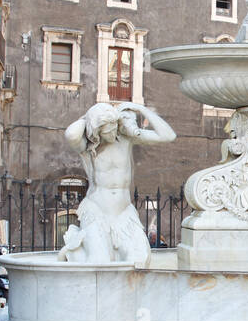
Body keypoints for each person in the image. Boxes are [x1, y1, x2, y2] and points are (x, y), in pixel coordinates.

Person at [60, 101, 175, 267]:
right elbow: (71, 134)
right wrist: (91, 116)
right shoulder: (87, 146)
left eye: (115, 126)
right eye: (108, 130)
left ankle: (82, 246)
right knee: (99, 263)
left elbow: (168, 136)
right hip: (96, 210)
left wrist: (141, 109)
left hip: (124, 213)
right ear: (97, 130)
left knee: (140, 260)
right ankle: (77, 248)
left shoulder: (125, 139)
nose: (113, 132)